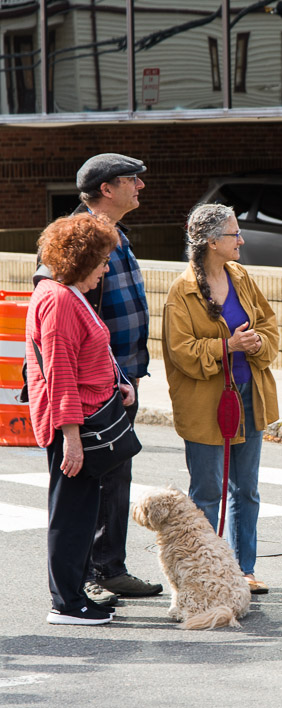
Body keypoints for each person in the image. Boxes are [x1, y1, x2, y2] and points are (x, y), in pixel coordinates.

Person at [36, 153, 160, 606]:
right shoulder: (75, 240)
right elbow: (59, 328)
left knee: (116, 471)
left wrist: (125, 376)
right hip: (91, 386)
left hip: (119, 379)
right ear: (106, 189)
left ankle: (110, 566)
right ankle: (84, 575)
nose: (140, 187)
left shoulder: (116, 234)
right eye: (132, 180)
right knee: (88, 478)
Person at [162, 203, 279, 595]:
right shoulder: (182, 291)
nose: (241, 239)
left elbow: (267, 322)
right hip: (205, 403)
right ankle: (200, 574)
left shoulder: (240, 275)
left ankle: (242, 570)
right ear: (212, 242)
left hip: (250, 395)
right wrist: (228, 346)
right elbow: (182, 352)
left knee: (246, 489)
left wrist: (257, 342)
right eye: (234, 234)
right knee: (207, 491)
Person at [26, 213, 135, 625]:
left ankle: (72, 597)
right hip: (76, 425)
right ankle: (67, 603)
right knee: (71, 517)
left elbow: (87, 356)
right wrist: (70, 435)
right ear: (82, 258)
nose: (106, 268)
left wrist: (117, 383)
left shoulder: (64, 293)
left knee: (80, 513)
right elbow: (60, 372)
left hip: (84, 417)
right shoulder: (58, 298)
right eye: (103, 260)